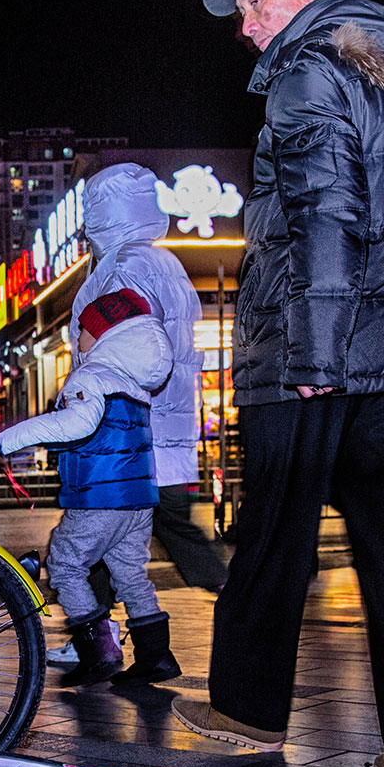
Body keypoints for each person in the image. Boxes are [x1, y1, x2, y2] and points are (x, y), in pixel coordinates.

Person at [170, 0, 384, 767]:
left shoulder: (306, 73)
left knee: (274, 530)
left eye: (253, 2)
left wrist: (315, 358)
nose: (245, 24)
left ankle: (248, 711)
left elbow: (327, 219)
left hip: (315, 345)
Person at [0, 290, 181, 684]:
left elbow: (78, 426)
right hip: (138, 499)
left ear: (103, 335)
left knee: (64, 562)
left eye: (82, 328)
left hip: (100, 497)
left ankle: (99, 653)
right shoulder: (135, 384)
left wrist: (11, 438)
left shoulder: (92, 375)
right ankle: (156, 657)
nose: (76, 336)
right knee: (131, 573)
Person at [69, 163, 228, 591]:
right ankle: (234, 599)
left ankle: (97, 636)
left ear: (105, 215)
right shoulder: (167, 263)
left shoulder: (123, 266)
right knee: (159, 527)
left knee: (100, 530)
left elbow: (112, 333)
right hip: (167, 427)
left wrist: (81, 389)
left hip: (129, 429)